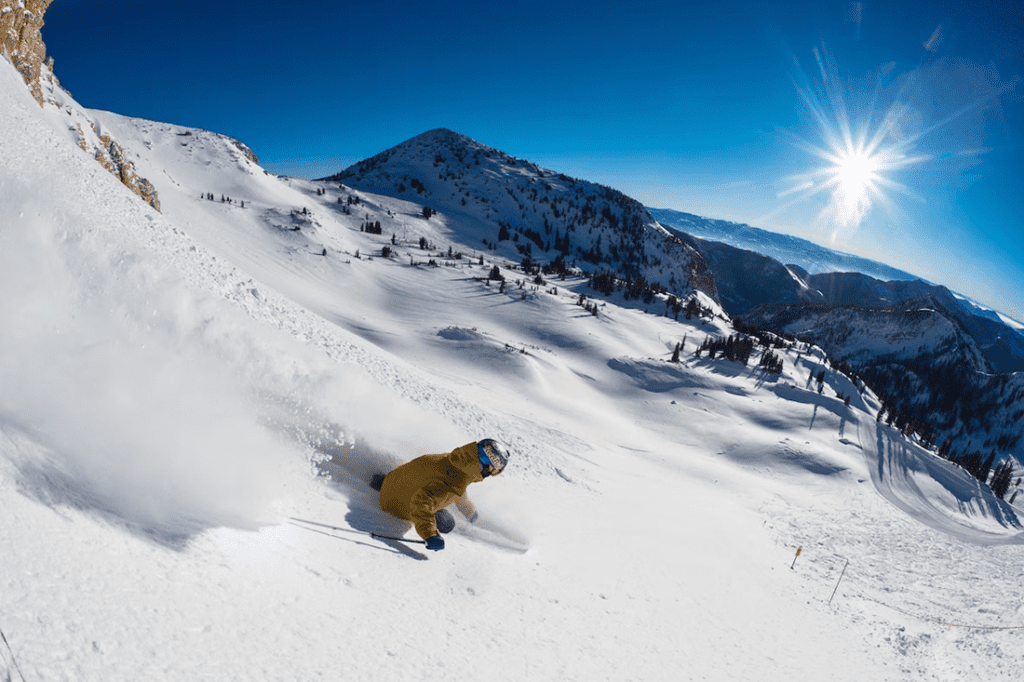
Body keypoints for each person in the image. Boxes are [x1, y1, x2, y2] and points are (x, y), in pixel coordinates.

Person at [370, 439, 510, 551]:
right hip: (395, 505)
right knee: (448, 523)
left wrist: (468, 510)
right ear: (487, 469)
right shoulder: (455, 484)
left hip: (390, 482)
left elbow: (456, 491)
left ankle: (380, 482)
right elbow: (421, 502)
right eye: (492, 470)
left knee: (424, 480)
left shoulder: (452, 459)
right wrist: (430, 535)